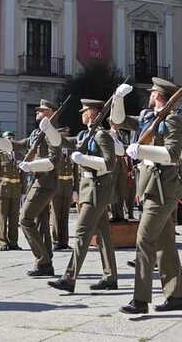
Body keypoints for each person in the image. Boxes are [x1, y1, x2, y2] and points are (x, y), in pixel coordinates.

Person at [119, 78, 182, 314]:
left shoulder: (172, 121)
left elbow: (172, 154)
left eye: (152, 93)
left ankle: (140, 300)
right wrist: (118, 100)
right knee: (165, 244)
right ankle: (176, 296)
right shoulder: (148, 118)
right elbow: (118, 121)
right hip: (149, 187)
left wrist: (142, 150)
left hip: (162, 190)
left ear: (158, 95)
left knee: (144, 239)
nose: (149, 95)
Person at [47, 98, 118, 296]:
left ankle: (69, 279)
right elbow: (64, 142)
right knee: (103, 235)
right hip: (88, 188)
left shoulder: (102, 136)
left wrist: (85, 159)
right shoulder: (84, 135)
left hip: (97, 189)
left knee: (81, 233)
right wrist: (50, 130)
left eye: (85, 111)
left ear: (93, 113)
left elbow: (109, 163)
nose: (82, 114)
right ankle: (110, 277)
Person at [12, 99, 63, 278]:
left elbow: (53, 161)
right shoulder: (36, 132)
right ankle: (46, 263)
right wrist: (0, 142)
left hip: (46, 182)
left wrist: (31, 166)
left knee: (25, 219)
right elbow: (20, 144)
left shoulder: (52, 134)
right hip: (36, 182)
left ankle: (42, 260)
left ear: (50, 113)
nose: (36, 112)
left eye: (41, 110)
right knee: (40, 222)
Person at [0, 131, 22, 250]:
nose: (11, 141)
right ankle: (3, 241)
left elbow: (22, 174)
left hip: (16, 189)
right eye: (8, 139)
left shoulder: (18, 155)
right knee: (3, 216)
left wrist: (23, 190)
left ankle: (14, 242)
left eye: (12, 139)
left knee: (14, 217)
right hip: (3, 189)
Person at [50, 128, 75, 250]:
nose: (64, 139)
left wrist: (75, 190)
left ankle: (64, 241)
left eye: (66, 136)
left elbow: (75, 170)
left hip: (68, 185)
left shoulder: (70, 152)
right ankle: (55, 240)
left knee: (65, 214)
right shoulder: (54, 151)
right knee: (55, 214)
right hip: (57, 184)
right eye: (62, 136)